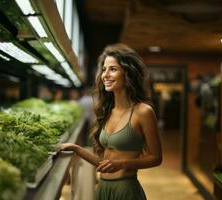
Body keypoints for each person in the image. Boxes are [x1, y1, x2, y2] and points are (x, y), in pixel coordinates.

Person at [60, 43, 162, 200]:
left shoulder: (143, 112)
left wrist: (123, 164)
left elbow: (156, 157)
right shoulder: (106, 111)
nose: (105, 75)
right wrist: (76, 149)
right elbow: (104, 164)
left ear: (128, 74)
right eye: (104, 69)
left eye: (113, 69)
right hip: (103, 189)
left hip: (126, 190)